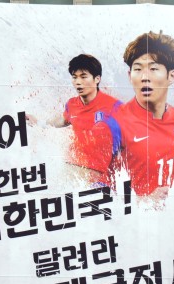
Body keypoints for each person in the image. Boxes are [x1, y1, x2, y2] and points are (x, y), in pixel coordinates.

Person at [99, 31, 174, 206]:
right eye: (138, 69)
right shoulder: (113, 124)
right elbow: (87, 188)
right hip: (130, 226)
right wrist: (142, 202)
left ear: (171, 76)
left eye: (153, 68)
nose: (144, 77)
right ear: (129, 76)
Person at [27, 54, 122, 186]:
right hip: (71, 173)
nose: (78, 82)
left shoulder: (114, 107)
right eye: (74, 77)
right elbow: (62, 120)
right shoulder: (72, 104)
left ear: (97, 79)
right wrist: (39, 123)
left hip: (98, 182)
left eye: (83, 77)